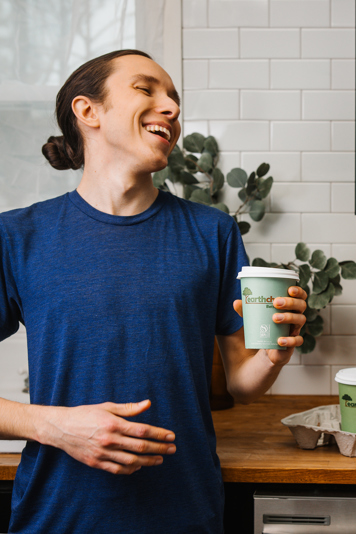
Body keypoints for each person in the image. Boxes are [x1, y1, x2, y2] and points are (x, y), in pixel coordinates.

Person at [0, 49, 307, 533]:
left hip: (185, 514)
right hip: (56, 517)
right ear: (89, 111)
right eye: (147, 90)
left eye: (175, 100)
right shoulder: (18, 237)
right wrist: (51, 425)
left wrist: (273, 355)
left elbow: (241, 383)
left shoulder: (213, 233)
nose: (171, 108)